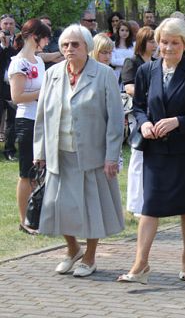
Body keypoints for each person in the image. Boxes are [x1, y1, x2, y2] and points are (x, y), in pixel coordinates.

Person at [118, 18, 185, 284]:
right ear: (157, 43)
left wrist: (178, 122)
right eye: (164, 42)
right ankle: (140, 263)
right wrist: (144, 123)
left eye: (175, 43)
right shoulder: (146, 71)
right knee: (150, 207)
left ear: (184, 44)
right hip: (156, 150)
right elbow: (137, 107)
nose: (168, 48)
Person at [34, 24, 124, 277]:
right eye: (65, 45)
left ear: (87, 47)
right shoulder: (52, 74)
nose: (69, 49)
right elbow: (42, 115)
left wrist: (111, 156)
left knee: (91, 208)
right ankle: (72, 249)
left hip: (91, 154)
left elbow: (115, 120)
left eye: (75, 44)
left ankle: (90, 256)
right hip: (58, 153)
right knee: (58, 206)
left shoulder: (104, 74)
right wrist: (39, 151)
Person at [8, 19, 50, 235]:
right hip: (26, 121)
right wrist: (44, 93)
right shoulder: (19, 63)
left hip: (42, 120)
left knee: (40, 170)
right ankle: (24, 220)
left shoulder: (38, 61)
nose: (47, 41)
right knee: (27, 173)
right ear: (35, 36)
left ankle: (36, 216)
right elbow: (17, 97)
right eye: (45, 37)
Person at [121, 27, 157, 216]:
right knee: (138, 156)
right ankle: (135, 204)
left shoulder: (157, 63)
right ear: (143, 42)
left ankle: (150, 199)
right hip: (138, 113)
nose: (155, 45)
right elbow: (128, 88)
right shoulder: (132, 62)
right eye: (151, 41)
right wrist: (152, 94)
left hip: (156, 115)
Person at [0, 13, 18, 161]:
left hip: (13, 87)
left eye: (11, 23)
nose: (8, 26)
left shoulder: (19, 42)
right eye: (5, 23)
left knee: (12, 121)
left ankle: (10, 150)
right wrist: (2, 46)